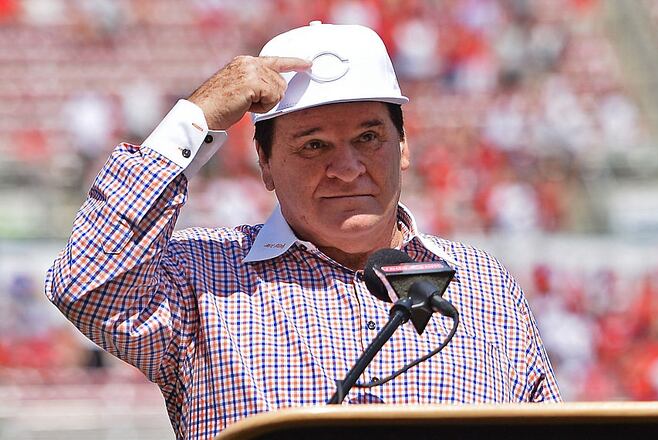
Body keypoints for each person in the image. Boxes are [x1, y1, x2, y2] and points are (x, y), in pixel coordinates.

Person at [46, 21, 561, 440]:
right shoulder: (201, 274)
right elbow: (87, 284)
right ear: (265, 164)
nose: (347, 167)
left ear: (403, 148)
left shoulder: (482, 282)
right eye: (313, 145)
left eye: (369, 137)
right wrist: (196, 117)